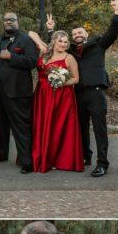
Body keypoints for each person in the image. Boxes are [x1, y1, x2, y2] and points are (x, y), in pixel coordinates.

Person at [47, 0, 118, 177]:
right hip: (78, 94)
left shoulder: (98, 44)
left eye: (80, 33)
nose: (77, 35)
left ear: (86, 34)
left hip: (95, 92)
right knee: (80, 128)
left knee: (99, 129)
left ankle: (102, 163)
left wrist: (117, 12)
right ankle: (85, 156)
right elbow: (57, 45)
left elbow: (112, 33)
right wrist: (51, 31)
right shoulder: (71, 50)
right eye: (74, 34)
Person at [0, 13, 37, 173]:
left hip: (17, 91)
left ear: (17, 22)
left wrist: (11, 56)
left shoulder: (26, 40)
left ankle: (27, 161)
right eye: (6, 20)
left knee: (21, 126)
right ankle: (1, 154)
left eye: (12, 20)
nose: (8, 22)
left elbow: (32, 62)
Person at [29, 30, 83, 173]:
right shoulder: (45, 53)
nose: (64, 44)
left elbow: (76, 79)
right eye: (60, 41)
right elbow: (31, 33)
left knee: (58, 127)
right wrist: (40, 42)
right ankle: (43, 155)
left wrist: (61, 82)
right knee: (42, 125)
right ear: (54, 41)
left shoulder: (69, 58)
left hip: (61, 97)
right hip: (42, 95)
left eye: (66, 42)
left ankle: (59, 159)